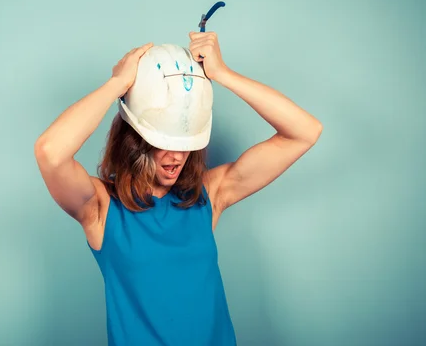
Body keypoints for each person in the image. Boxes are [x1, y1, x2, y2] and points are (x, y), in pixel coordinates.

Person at [34, 31, 323, 345]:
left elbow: (304, 132)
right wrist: (117, 85)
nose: (176, 156)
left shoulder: (208, 196)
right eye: (163, 141)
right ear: (135, 139)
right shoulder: (100, 208)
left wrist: (223, 74)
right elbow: (51, 152)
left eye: (185, 142)